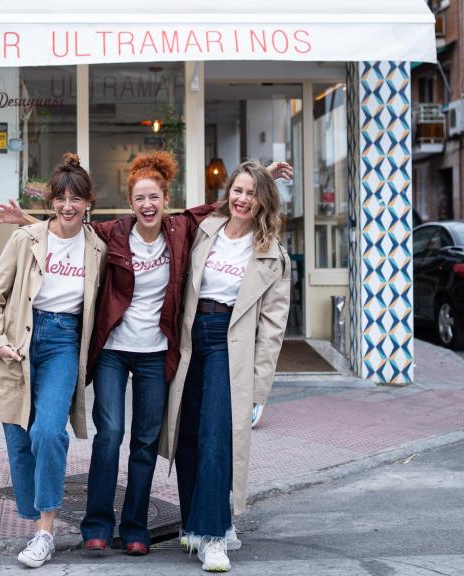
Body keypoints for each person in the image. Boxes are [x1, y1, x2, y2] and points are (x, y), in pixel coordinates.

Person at [0, 153, 291, 556]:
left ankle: (136, 527)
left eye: (154, 197)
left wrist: (264, 177)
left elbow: (226, 205)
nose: (147, 205)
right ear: (130, 202)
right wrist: (27, 221)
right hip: (115, 352)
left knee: (146, 441)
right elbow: (68, 230)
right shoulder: (115, 232)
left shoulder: (183, 229)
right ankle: (97, 524)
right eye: (139, 198)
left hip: (157, 354)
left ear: (166, 200)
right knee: (111, 434)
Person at [161, 160, 291, 572]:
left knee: (217, 436)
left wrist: (258, 389)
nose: (243, 199)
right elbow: (188, 216)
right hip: (189, 339)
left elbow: (272, 329)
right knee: (187, 434)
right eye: (238, 190)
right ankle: (195, 523)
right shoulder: (206, 230)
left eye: (253, 193)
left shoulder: (272, 254)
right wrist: (261, 171)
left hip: (228, 345)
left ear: (263, 201)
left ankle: (213, 536)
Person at [0, 153, 107, 569]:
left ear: (89, 202)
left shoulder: (98, 247)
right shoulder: (27, 239)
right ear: (51, 201)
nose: (68, 206)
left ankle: (45, 531)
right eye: (60, 198)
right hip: (20, 338)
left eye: (76, 199)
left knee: (49, 432)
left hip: (63, 341)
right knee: (19, 438)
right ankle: (34, 519)